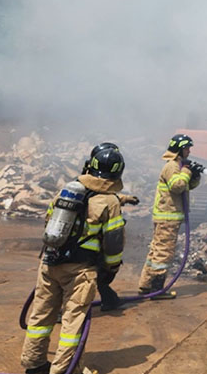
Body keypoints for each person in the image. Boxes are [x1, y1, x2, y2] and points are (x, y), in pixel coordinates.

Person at [21, 147, 127, 374]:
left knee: (40, 316)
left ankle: (34, 364)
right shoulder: (110, 202)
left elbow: (49, 220)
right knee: (72, 324)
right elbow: (114, 242)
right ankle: (64, 370)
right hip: (80, 271)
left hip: (49, 262)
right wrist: (110, 268)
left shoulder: (67, 191)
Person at [137, 134, 202, 298]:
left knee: (156, 251)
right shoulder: (172, 166)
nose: (189, 151)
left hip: (167, 217)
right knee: (163, 253)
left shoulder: (177, 165)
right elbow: (177, 186)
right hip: (168, 217)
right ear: (180, 149)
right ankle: (156, 290)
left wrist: (194, 175)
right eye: (187, 148)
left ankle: (146, 285)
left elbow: (188, 185)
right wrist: (187, 170)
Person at [79, 142, 139, 312]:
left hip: (65, 248)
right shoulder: (108, 201)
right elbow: (113, 238)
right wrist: (112, 265)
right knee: (89, 281)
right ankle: (66, 311)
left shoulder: (76, 188)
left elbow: (97, 200)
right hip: (88, 250)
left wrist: (124, 199)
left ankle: (109, 299)